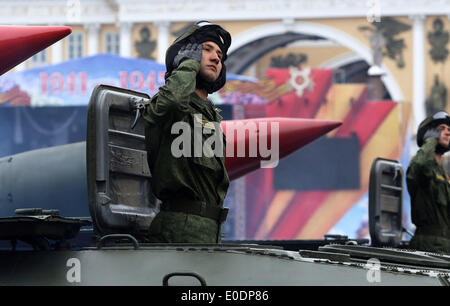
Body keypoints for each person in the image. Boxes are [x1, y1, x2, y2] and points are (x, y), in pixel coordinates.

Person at [133, 21, 231, 243]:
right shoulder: (169, 107)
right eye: (206, 50)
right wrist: (187, 65)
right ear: (187, 56)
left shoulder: (210, 115)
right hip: (179, 230)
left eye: (220, 55)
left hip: (208, 232)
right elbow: (174, 101)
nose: (217, 58)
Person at [406, 111, 450, 254]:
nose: (447, 132)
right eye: (441, 129)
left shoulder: (443, 175)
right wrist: (431, 140)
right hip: (429, 246)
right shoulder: (422, 167)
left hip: (444, 245)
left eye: (449, 130)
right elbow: (420, 165)